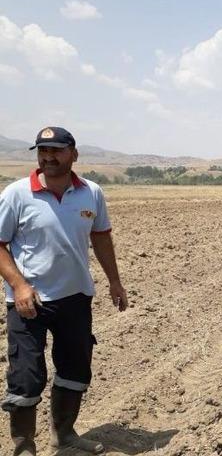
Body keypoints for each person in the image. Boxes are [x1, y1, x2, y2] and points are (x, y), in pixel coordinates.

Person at [0, 127, 128, 455]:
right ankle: (24, 446)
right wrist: (19, 284)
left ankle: (65, 435)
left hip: (75, 298)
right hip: (29, 301)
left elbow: (100, 236)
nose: (48, 157)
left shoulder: (91, 193)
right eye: (42, 150)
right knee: (26, 377)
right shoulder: (17, 194)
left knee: (75, 368)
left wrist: (114, 281)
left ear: (74, 153)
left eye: (56, 150)